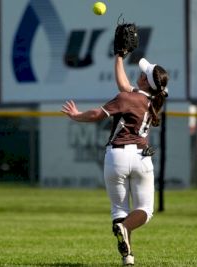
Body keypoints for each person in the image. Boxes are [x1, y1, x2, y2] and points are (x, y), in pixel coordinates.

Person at [61, 54, 169, 265]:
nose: (139, 74)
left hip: (116, 157)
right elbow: (124, 85)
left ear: (146, 82)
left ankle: (125, 239)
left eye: (143, 74)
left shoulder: (126, 98)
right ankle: (127, 255)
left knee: (120, 212)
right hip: (142, 158)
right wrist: (119, 56)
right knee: (145, 211)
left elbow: (96, 115)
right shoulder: (151, 101)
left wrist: (76, 115)